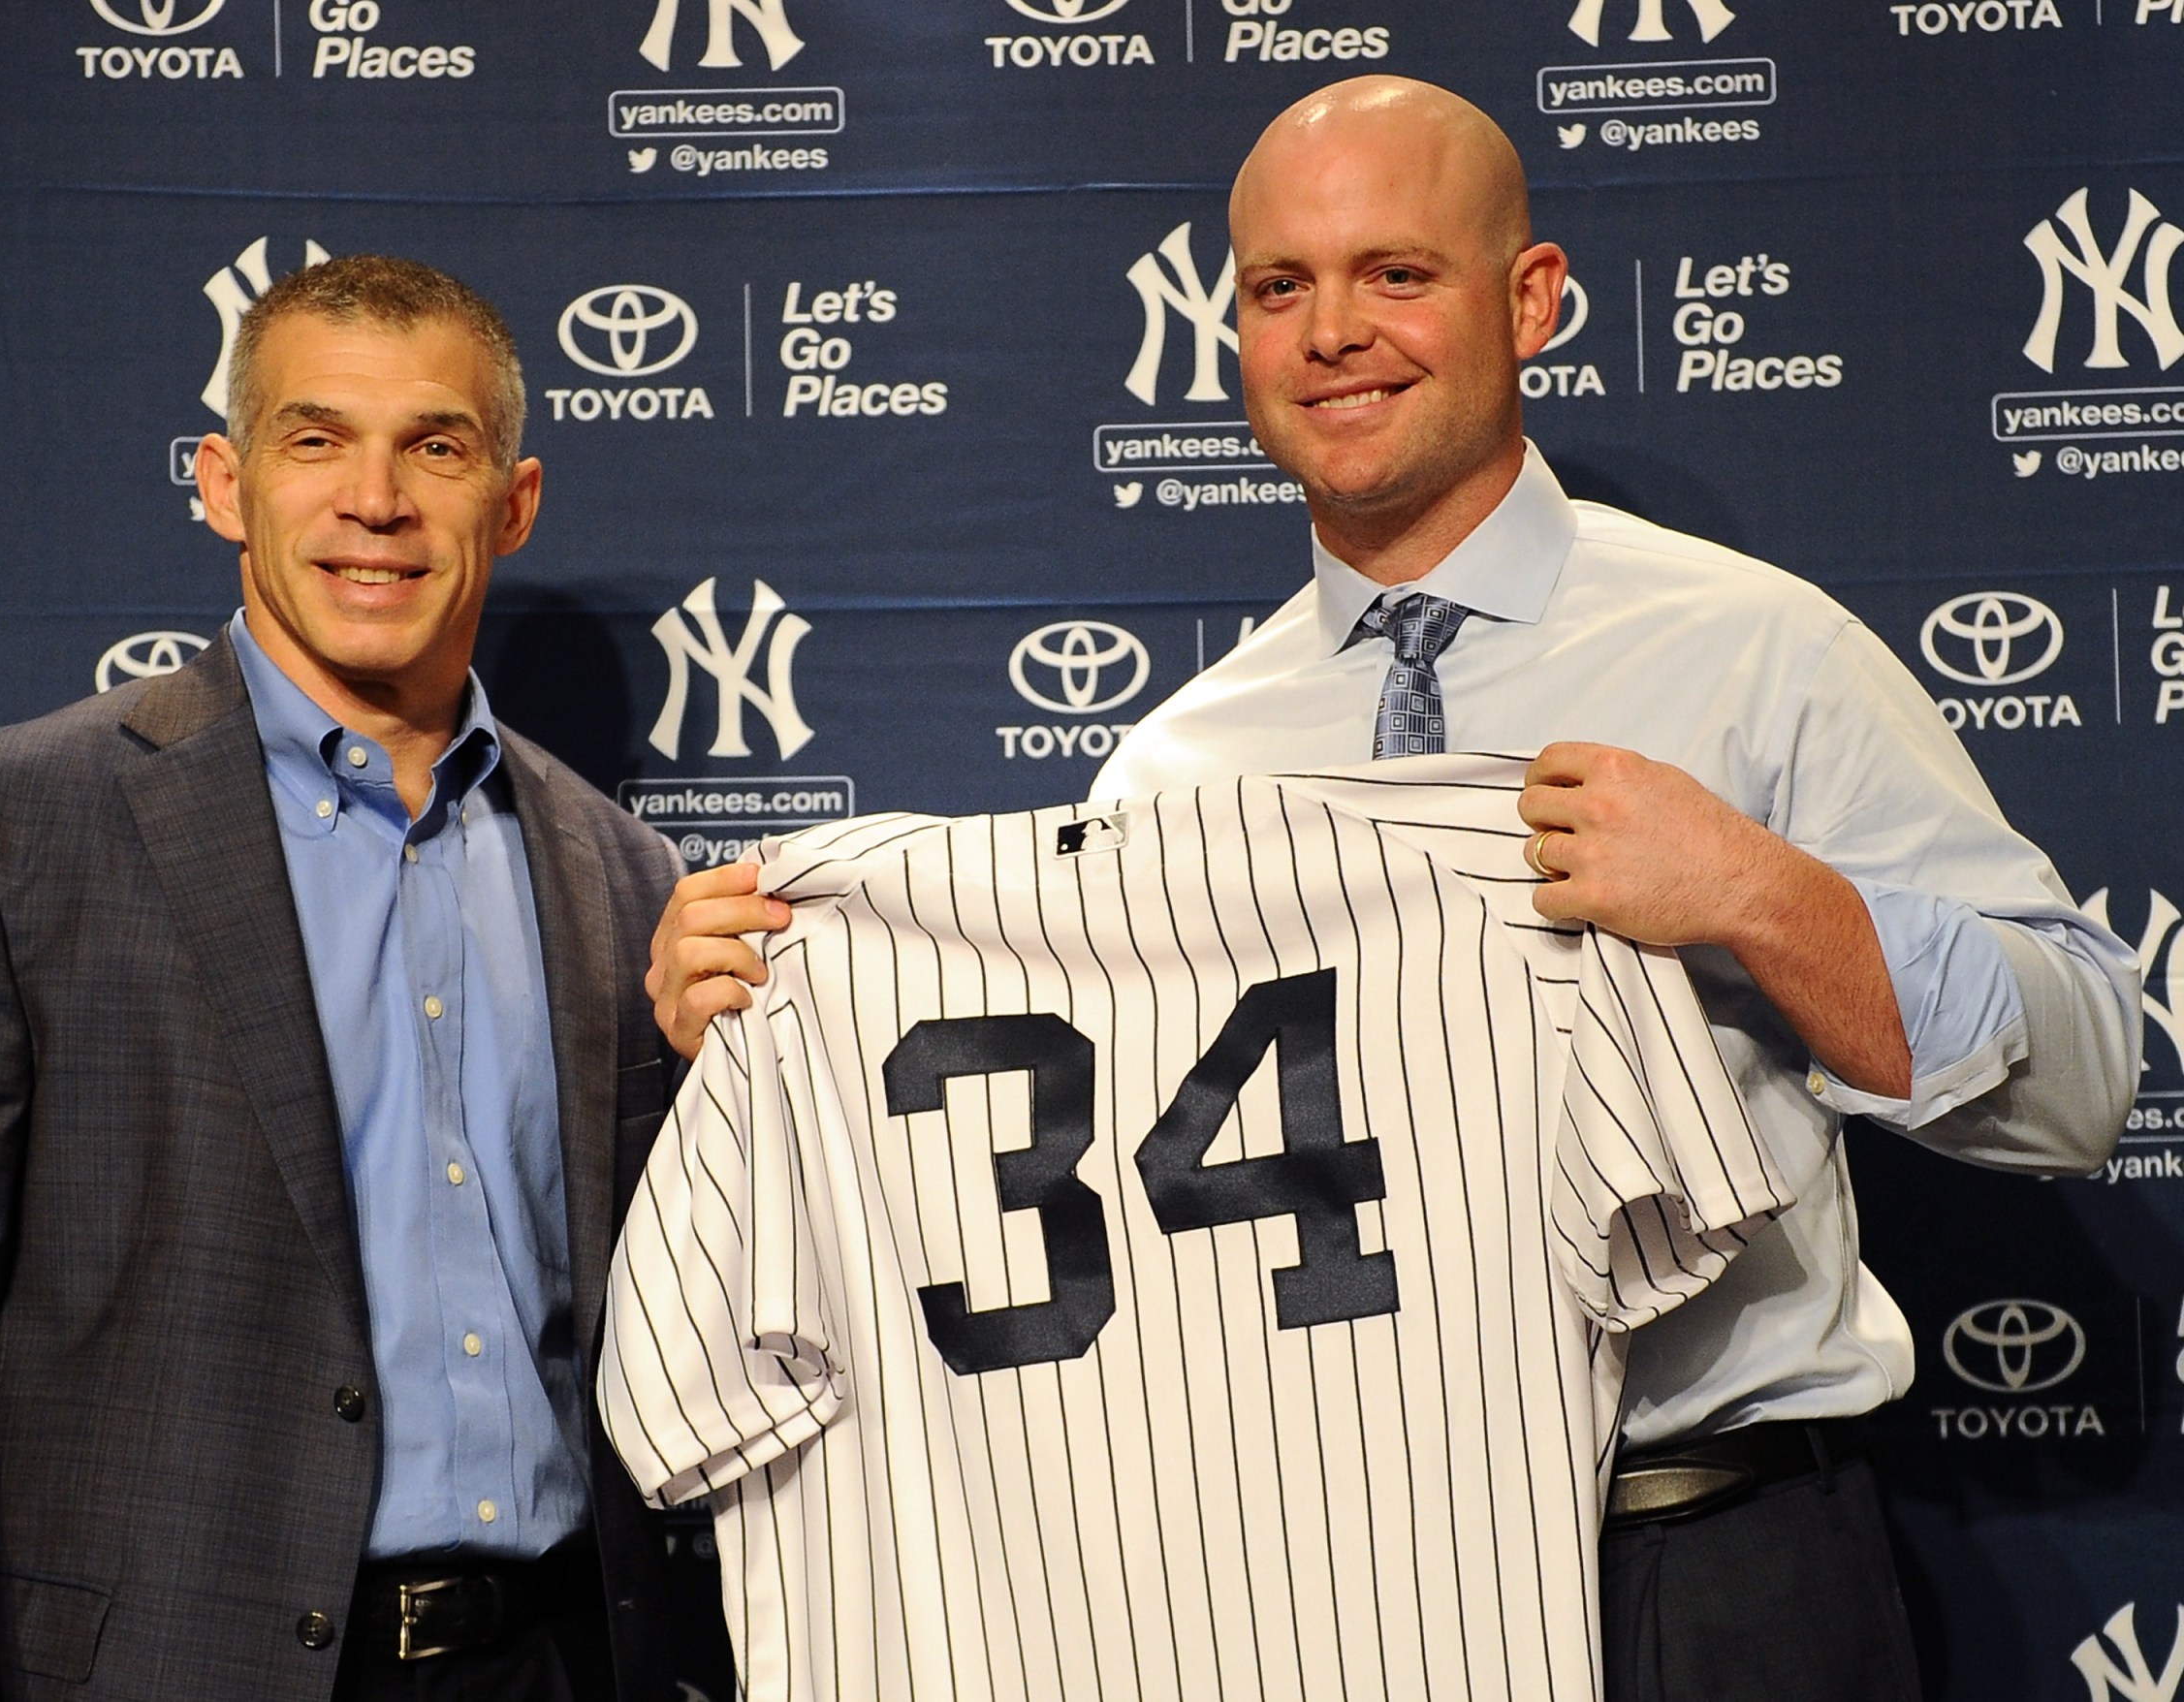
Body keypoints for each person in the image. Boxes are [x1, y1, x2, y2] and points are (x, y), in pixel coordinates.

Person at [648, 78, 2139, 1702]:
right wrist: (762, 1004)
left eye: (1397, 274)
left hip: (1708, 1566)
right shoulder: (1174, 769)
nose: (1332, 330)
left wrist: (1759, 895)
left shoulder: (1756, 651)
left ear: (1533, 299)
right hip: (1324, 1586)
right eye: (1280, 287)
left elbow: (2081, 1083)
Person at [0, 256, 693, 1702]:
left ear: (514, 501)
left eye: (436, 446)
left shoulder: (626, 875)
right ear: (225, 484)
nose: (377, 500)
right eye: (316, 441)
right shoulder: (2, 824)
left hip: (558, 1663)